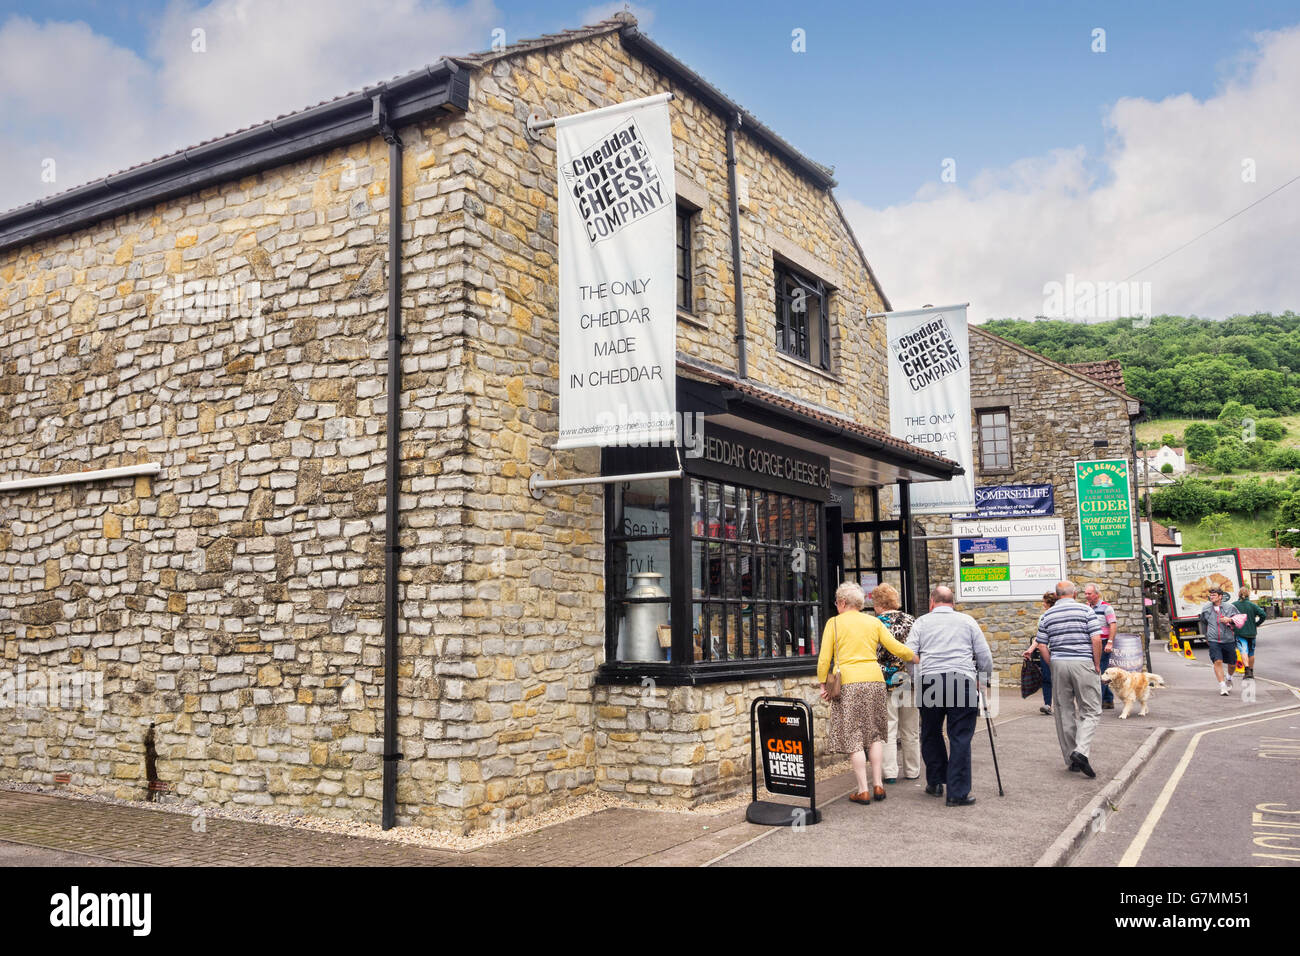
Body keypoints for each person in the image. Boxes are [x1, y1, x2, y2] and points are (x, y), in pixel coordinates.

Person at [817, 581, 916, 804]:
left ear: (842, 602)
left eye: (837, 602)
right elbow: (896, 647)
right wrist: (915, 657)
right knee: (874, 736)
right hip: (875, 680)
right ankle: (878, 786)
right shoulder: (873, 622)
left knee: (854, 737)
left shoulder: (833, 623)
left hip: (850, 683)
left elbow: (824, 659)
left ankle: (863, 790)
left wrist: (823, 684)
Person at [906, 585, 993, 807]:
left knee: (931, 732)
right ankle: (957, 793)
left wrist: (917, 682)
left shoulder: (921, 622)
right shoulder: (967, 621)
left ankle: (935, 782)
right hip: (961, 680)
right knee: (960, 736)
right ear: (952, 603)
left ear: (931, 602)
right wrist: (982, 682)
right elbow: (984, 656)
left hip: (930, 681)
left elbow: (909, 655)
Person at [1035, 580, 1103, 778]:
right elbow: (1096, 639)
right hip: (1083, 662)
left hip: (1058, 663)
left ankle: (1071, 759)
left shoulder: (1047, 615)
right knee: (1091, 709)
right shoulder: (1086, 611)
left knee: (1064, 711)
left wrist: (1052, 664)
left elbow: (1041, 645)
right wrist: (1096, 664)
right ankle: (1081, 751)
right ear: (1074, 595)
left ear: (1056, 596)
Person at [871, 583, 919, 784]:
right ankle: (912, 770)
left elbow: (872, 652)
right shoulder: (911, 620)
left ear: (879, 603)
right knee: (911, 729)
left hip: (885, 681)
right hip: (908, 680)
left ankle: (890, 773)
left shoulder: (876, 623)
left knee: (888, 729)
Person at [1198, 587, 1241, 696]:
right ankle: (1223, 686)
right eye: (1210, 595)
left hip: (1228, 639)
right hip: (1213, 640)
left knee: (1232, 664)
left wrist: (1230, 620)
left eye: (1214, 595)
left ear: (1220, 596)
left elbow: (1239, 620)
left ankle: (1229, 678)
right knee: (1217, 662)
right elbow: (1203, 622)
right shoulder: (1206, 608)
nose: (1211, 597)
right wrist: (1206, 636)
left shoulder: (1230, 607)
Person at [1082, 584, 1118, 710]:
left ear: (1096, 594)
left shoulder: (1106, 608)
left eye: (1089, 594)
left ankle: (1096, 704)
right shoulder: (1086, 608)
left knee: (1099, 672)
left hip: (1102, 643)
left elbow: (1113, 625)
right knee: (1097, 671)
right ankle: (1108, 700)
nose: (1086, 596)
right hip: (1091, 643)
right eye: (1085, 593)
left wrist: (1110, 642)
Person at [1023, 591, 1057, 715]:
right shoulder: (1043, 617)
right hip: (1046, 651)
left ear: (1050, 603)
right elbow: (1040, 636)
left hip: (1060, 652)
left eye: (1044, 602)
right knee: (1047, 679)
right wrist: (1030, 650)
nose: (1043, 604)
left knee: (1062, 680)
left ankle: (1063, 705)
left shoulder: (1059, 614)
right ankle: (1047, 705)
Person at [1235, 586, 1267, 679]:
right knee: (1251, 652)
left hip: (1240, 632)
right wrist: (1257, 624)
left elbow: (1229, 617)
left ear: (1239, 594)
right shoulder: (1252, 605)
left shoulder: (1234, 605)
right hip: (1252, 632)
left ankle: (1247, 670)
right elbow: (1263, 615)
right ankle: (1251, 672)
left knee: (1243, 651)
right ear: (1248, 594)